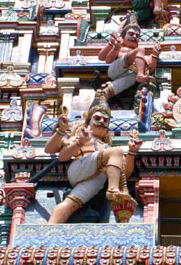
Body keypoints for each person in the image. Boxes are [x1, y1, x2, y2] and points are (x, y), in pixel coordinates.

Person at [43, 93, 140, 224]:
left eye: (106, 121)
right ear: (88, 123)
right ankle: (112, 190)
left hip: (97, 177)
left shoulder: (108, 150)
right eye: (97, 118)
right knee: (116, 151)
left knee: (71, 204)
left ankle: (50, 228)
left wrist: (132, 152)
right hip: (80, 166)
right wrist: (66, 134)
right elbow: (56, 153)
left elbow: (124, 173)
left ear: (107, 130)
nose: (102, 122)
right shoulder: (82, 138)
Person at [98, 14, 160, 97]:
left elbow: (150, 68)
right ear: (123, 36)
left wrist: (155, 54)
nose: (134, 36)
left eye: (137, 35)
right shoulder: (121, 48)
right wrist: (113, 46)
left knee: (129, 79)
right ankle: (140, 75)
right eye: (131, 34)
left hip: (131, 74)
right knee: (140, 50)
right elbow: (104, 58)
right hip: (116, 69)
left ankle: (103, 97)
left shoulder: (141, 55)